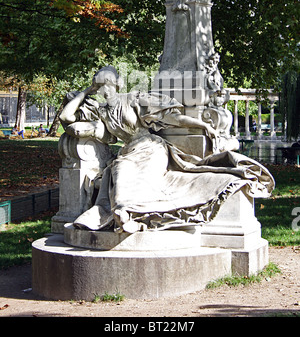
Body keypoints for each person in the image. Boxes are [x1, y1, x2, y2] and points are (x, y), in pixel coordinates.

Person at [60, 66, 274, 233]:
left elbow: (172, 118)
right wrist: (87, 91)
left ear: (116, 84)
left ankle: (129, 212)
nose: (104, 88)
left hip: (151, 148)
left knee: (136, 175)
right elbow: (66, 118)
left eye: (107, 83)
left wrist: (203, 125)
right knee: (121, 170)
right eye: (99, 85)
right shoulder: (101, 112)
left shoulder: (134, 99)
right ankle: (125, 212)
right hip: (128, 153)